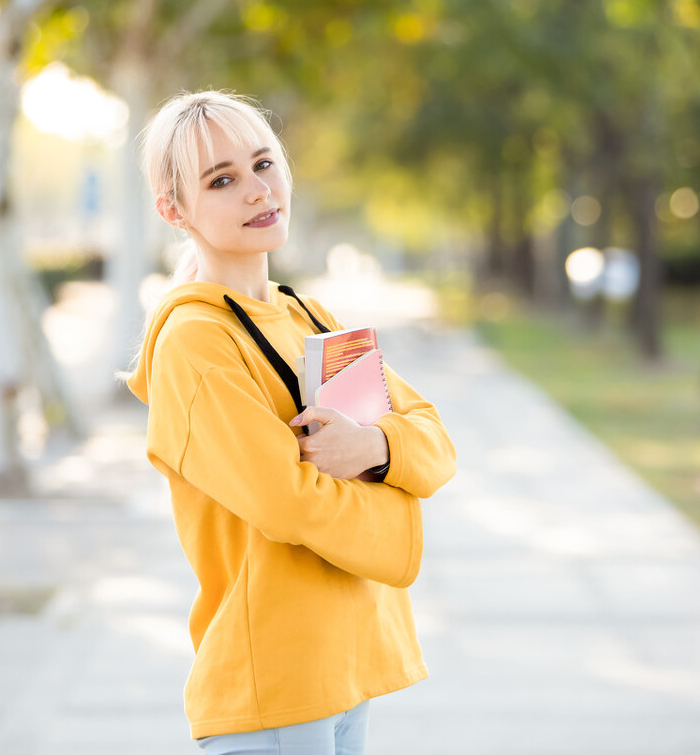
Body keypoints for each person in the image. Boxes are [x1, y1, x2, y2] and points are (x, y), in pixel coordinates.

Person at [124, 89, 456, 755]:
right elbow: (287, 502)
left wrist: (371, 446)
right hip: (272, 689)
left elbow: (433, 436)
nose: (256, 190)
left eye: (263, 163)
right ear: (174, 209)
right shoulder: (195, 340)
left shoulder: (309, 315)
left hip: (344, 671)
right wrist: (400, 516)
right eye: (222, 180)